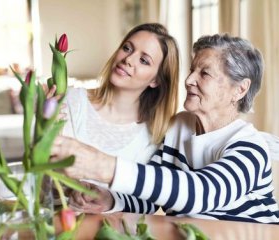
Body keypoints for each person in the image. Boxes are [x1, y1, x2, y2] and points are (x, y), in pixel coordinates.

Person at [51, 33, 279, 224]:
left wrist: (105, 167)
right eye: (192, 70)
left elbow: (199, 194)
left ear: (239, 90)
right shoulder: (179, 126)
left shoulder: (251, 148)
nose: (189, 80)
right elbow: (152, 197)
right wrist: (111, 200)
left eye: (204, 73)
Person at [50, 23, 180, 211]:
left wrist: (111, 201)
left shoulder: (157, 135)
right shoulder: (70, 101)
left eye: (144, 60)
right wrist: (43, 131)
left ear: (156, 80)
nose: (128, 59)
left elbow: (150, 203)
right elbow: (40, 180)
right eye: (127, 48)